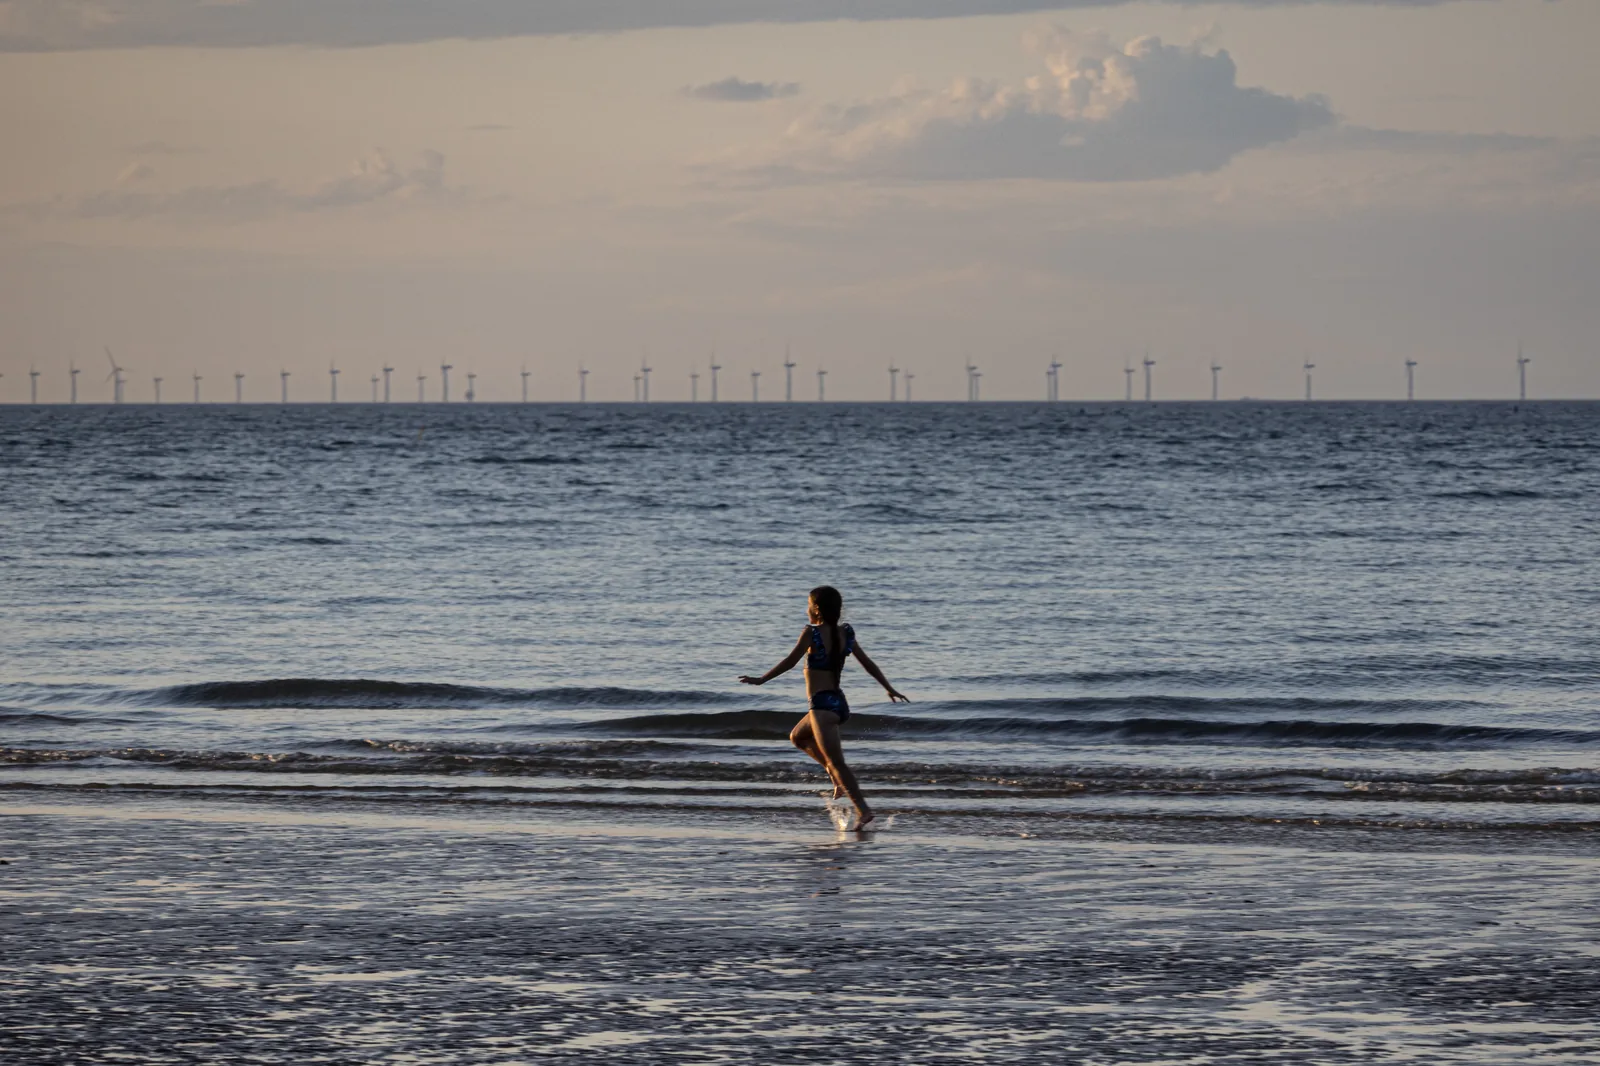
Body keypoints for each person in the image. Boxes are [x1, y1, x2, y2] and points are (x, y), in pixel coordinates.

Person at [739, 585, 909, 831]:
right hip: (837, 703)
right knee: (797, 737)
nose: (806, 609)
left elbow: (791, 660)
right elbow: (867, 663)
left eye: (808, 605)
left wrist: (762, 679)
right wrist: (888, 687)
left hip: (821, 706)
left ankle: (863, 810)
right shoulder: (846, 633)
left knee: (838, 762)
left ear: (816, 609)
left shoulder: (811, 633)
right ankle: (834, 776)